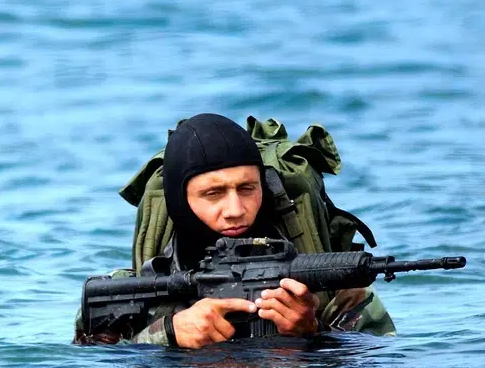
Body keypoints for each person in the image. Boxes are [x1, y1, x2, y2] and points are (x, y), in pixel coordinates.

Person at [74, 113, 395, 349]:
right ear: (179, 202)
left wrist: (312, 330)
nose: (235, 209)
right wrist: (167, 334)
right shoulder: (127, 294)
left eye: (247, 188)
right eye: (213, 194)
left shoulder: (331, 288)